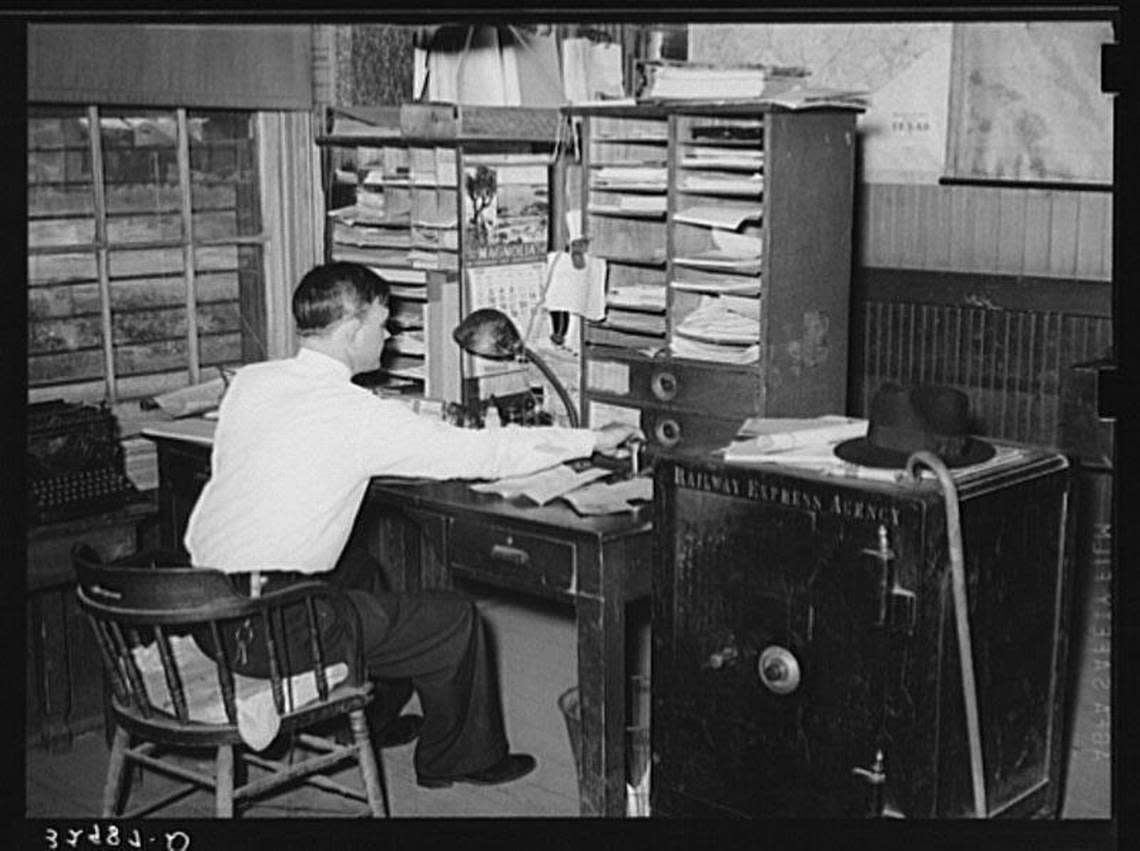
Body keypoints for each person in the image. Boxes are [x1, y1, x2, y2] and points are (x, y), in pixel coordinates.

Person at [184, 261, 643, 790]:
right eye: (383, 324)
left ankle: (377, 716)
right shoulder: (356, 414)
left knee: (364, 571)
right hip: (271, 631)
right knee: (453, 619)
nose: (390, 334)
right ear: (353, 330)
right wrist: (589, 441)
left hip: (207, 612)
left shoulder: (253, 382)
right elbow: (482, 453)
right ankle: (459, 758)